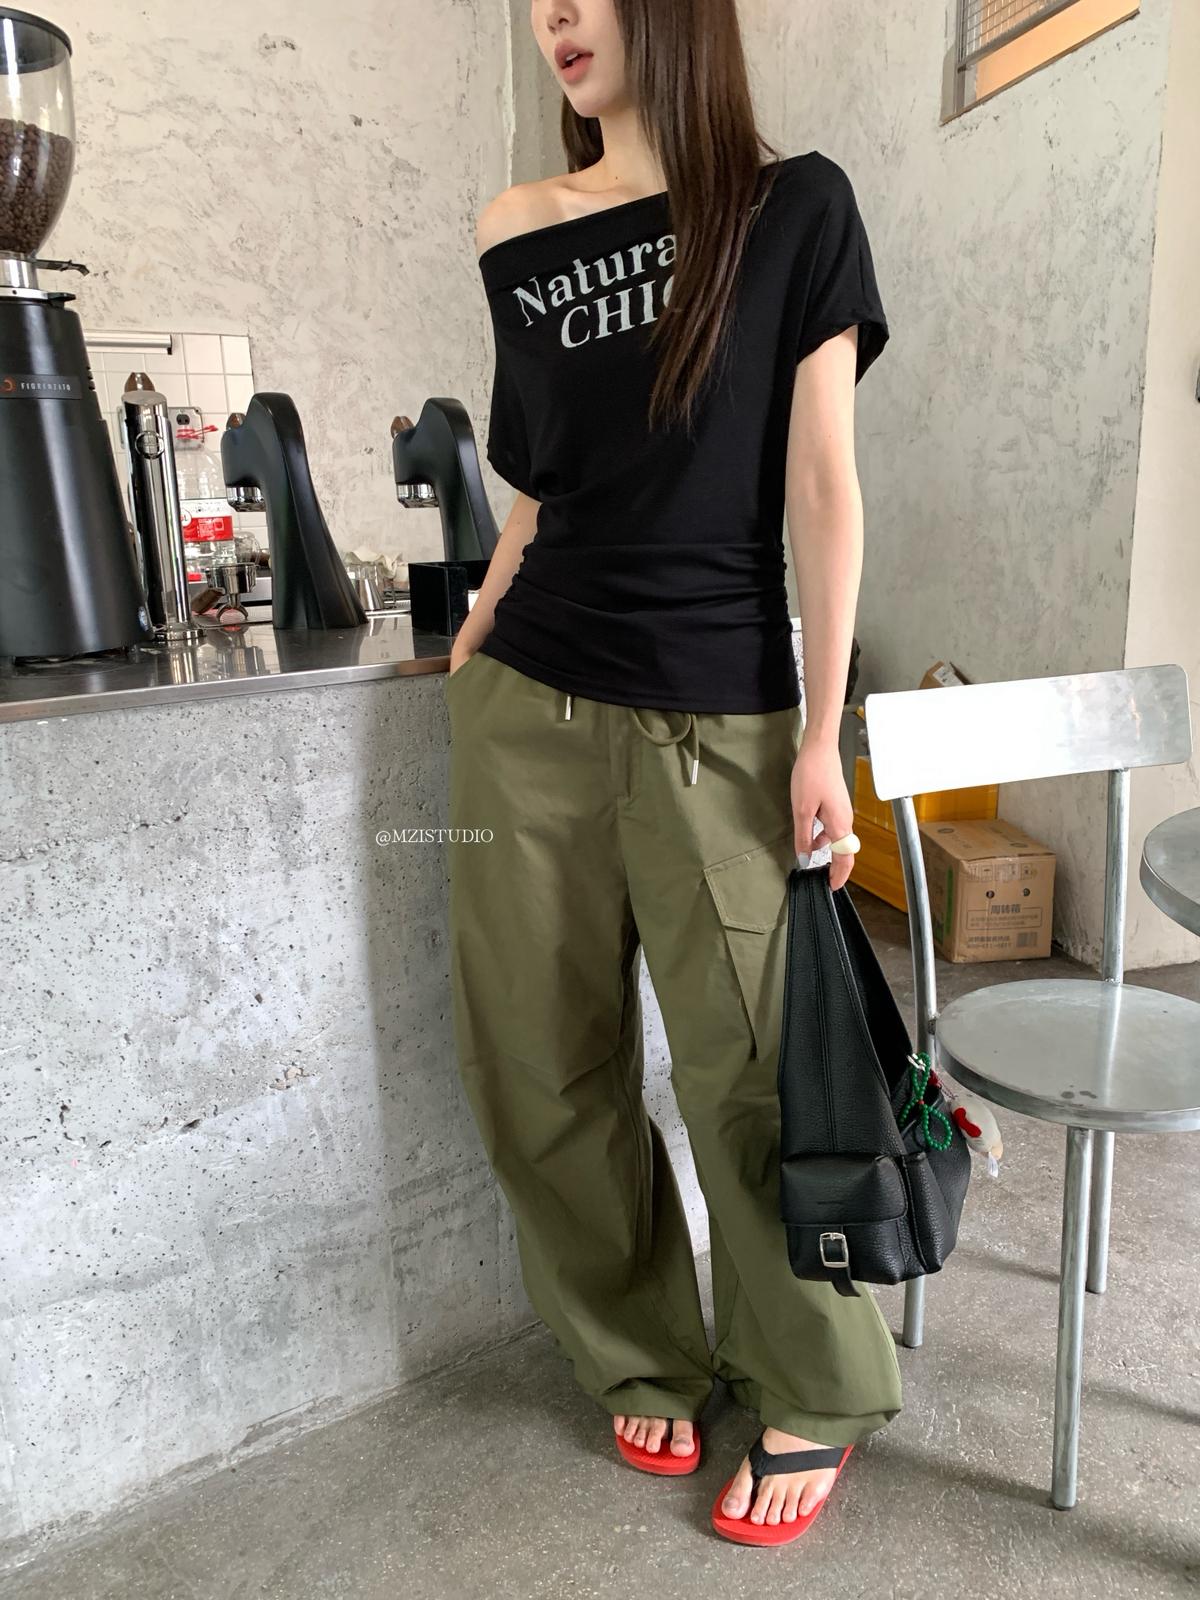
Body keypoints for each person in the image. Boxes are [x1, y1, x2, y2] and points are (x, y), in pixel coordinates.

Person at [445, 0, 901, 1548]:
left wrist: (823, 731)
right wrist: (484, 620)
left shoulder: (797, 208)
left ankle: (815, 1379)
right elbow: (541, 480)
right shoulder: (520, 223)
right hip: (528, 706)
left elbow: (823, 483)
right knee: (541, 1064)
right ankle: (639, 1345)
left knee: (751, 1071)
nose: (555, 16)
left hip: (719, 713)